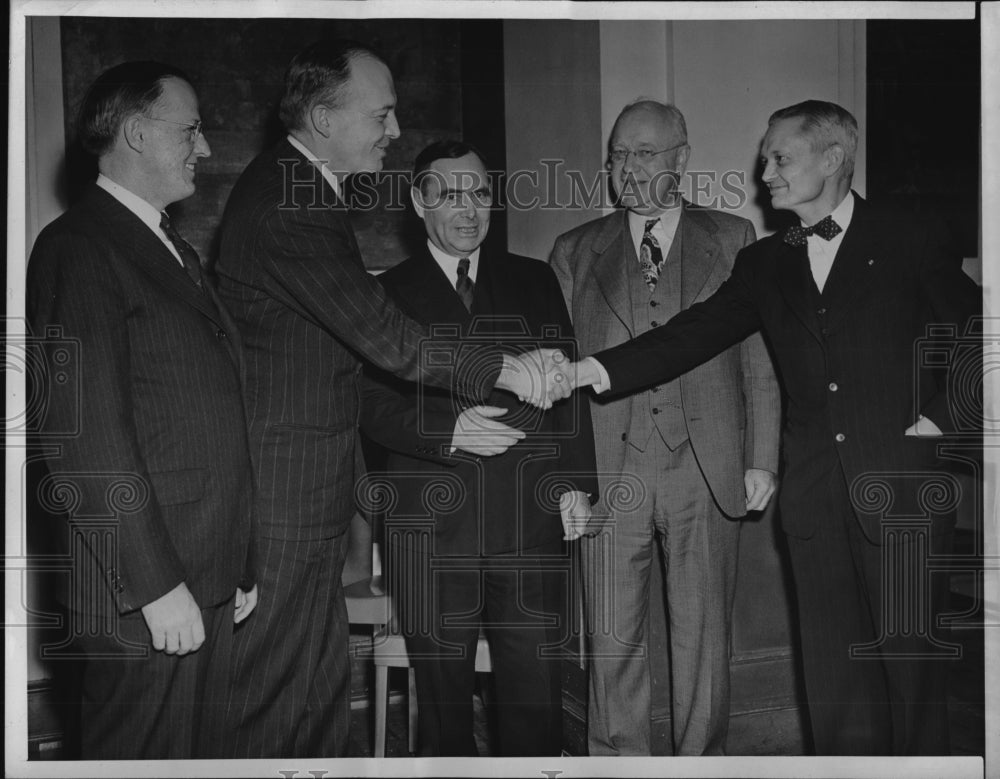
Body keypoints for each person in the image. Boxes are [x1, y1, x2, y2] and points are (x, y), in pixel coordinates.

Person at [568, 100, 981, 755]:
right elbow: (689, 335)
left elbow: (980, 335)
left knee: (912, 678)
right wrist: (586, 370)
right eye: (766, 159)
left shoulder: (910, 234)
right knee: (832, 681)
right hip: (813, 501)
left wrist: (937, 421)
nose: (765, 174)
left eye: (780, 158)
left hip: (902, 495)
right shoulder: (766, 263)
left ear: (834, 159)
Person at [214, 41, 559, 758]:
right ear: (322, 116)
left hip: (332, 492)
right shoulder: (291, 203)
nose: (393, 131)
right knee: (284, 691)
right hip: (295, 489)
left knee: (306, 686)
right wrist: (507, 370)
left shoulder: (299, 192)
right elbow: (388, 345)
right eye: (382, 113)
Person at [26, 61, 256, 759]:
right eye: (189, 129)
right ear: (134, 132)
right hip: (147, 591)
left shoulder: (166, 243)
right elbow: (85, 439)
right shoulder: (78, 246)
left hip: (205, 574)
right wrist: (157, 587)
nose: (206, 147)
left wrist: (237, 564)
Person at [548, 100, 781, 756]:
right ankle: (617, 764)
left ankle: (699, 766)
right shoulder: (574, 250)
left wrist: (760, 454)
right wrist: (571, 478)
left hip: (704, 465)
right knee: (611, 640)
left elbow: (759, 360)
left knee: (702, 638)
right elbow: (564, 379)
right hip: (609, 466)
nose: (627, 167)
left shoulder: (733, 237)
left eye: (644, 153)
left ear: (681, 158)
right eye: (618, 154)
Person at [359, 140, 597, 756]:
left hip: (528, 518)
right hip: (430, 529)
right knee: (442, 706)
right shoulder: (381, 294)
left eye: (480, 194)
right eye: (448, 194)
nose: (468, 210)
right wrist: (448, 433)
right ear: (418, 202)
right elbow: (367, 407)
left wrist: (576, 484)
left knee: (534, 698)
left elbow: (567, 390)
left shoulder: (533, 278)